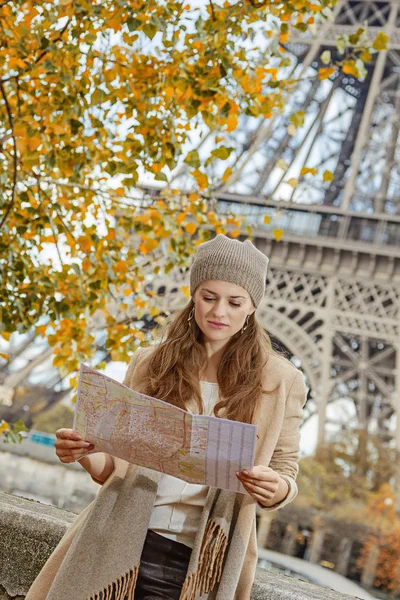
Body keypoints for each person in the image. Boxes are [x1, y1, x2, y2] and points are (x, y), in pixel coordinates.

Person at [26, 233, 307, 600]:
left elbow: (285, 469)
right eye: (209, 297)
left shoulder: (282, 381)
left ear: (252, 306)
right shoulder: (149, 363)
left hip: (203, 562)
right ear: (193, 296)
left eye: (234, 302)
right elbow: (114, 469)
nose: (219, 312)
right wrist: (83, 452)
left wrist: (277, 488)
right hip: (120, 543)